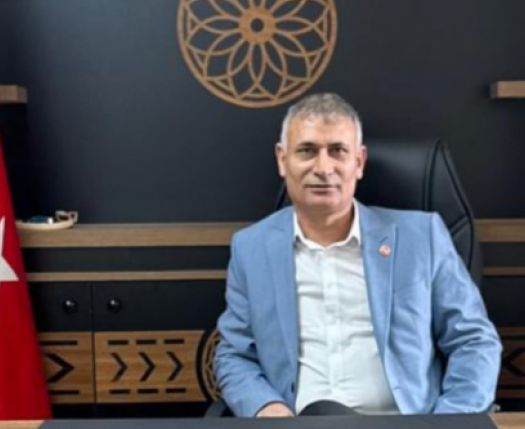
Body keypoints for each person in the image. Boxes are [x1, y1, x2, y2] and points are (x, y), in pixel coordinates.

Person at [214, 93, 501, 417]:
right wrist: (266, 407)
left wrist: (447, 422)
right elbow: (234, 354)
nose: (324, 168)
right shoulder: (251, 249)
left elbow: (474, 341)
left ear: (359, 162)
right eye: (307, 151)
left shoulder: (422, 238)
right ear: (282, 160)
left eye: (338, 151)